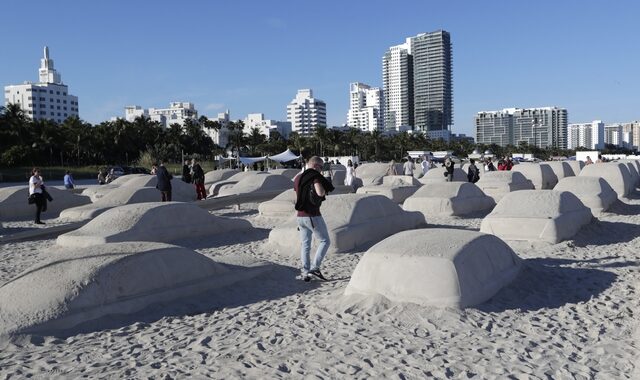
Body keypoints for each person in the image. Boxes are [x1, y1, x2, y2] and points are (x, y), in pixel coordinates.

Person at [294, 156, 335, 282]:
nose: (322, 170)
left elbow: (296, 197)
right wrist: (323, 185)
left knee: (305, 245)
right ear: (316, 166)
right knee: (325, 241)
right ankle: (315, 268)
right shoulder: (314, 176)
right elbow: (320, 192)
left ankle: (305, 272)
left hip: (300, 215)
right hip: (312, 215)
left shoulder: (298, 178)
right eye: (321, 167)